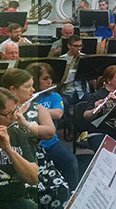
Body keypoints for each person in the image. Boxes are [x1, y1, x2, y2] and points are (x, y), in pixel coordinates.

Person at [1, 69, 69, 209]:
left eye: (32, 85)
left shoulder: (37, 107)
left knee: (60, 188)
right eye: (27, 86)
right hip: (5, 159)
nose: (33, 90)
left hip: (34, 158)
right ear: (12, 89)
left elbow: (50, 132)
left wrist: (25, 124)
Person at [25, 62, 79, 190]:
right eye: (45, 79)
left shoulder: (54, 96)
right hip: (29, 145)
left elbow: (58, 113)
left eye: (50, 78)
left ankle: (72, 193)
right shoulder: (26, 96)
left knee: (70, 161)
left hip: (50, 142)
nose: (49, 82)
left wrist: (34, 112)